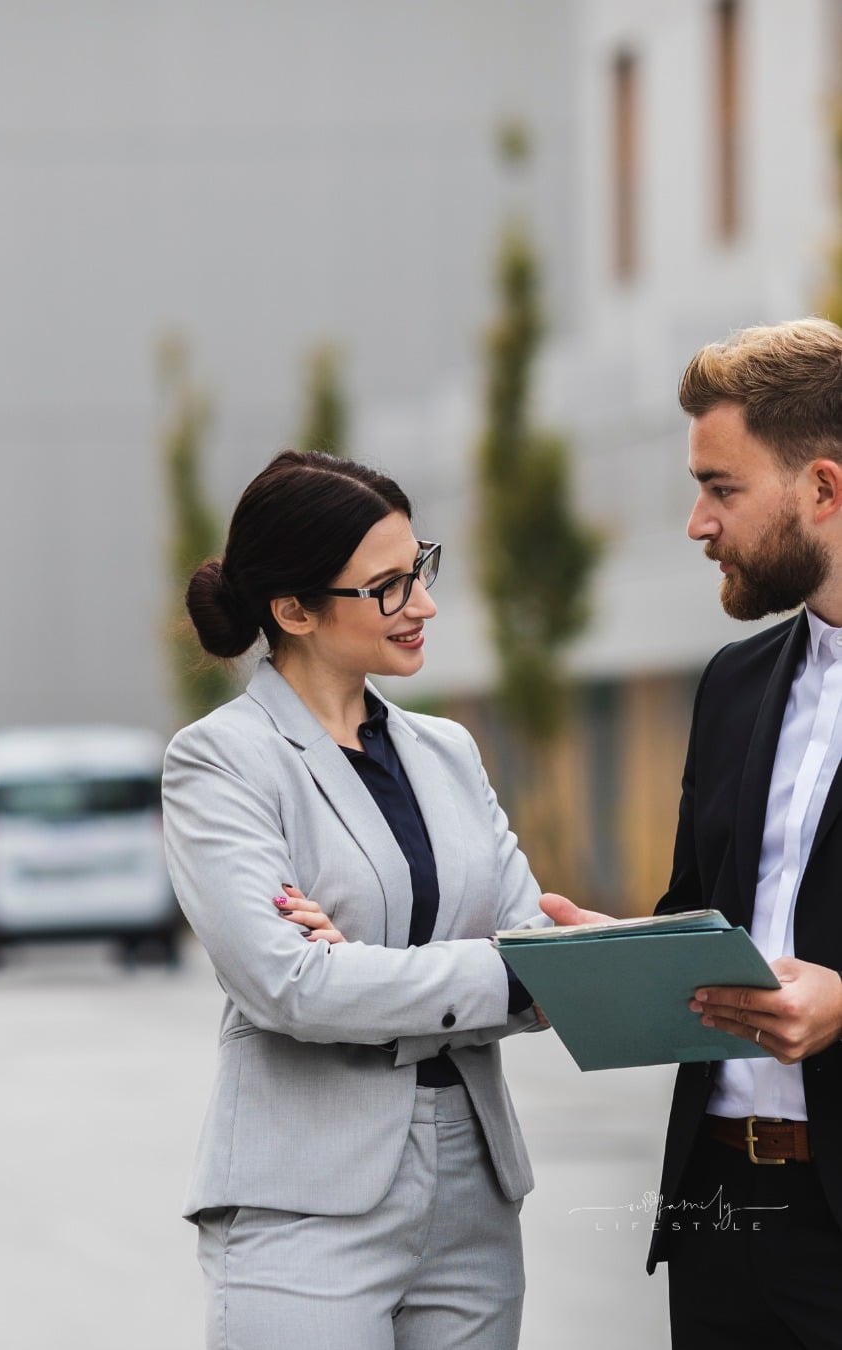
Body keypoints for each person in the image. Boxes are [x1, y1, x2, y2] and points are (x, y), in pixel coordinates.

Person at [161, 448, 553, 1350]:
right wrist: (503, 972)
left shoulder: (447, 751)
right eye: (386, 587)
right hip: (308, 1203)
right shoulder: (221, 761)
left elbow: (539, 949)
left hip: (475, 1194)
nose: (423, 605)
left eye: (420, 568)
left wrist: (369, 972)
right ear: (292, 611)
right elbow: (289, 985)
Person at [546, 317, 842, 1349]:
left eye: (721, 488)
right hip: (721, 1216)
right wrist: (614, 958)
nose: (695, 523)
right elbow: (699, 917)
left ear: (823, 489)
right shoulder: (732, 684)